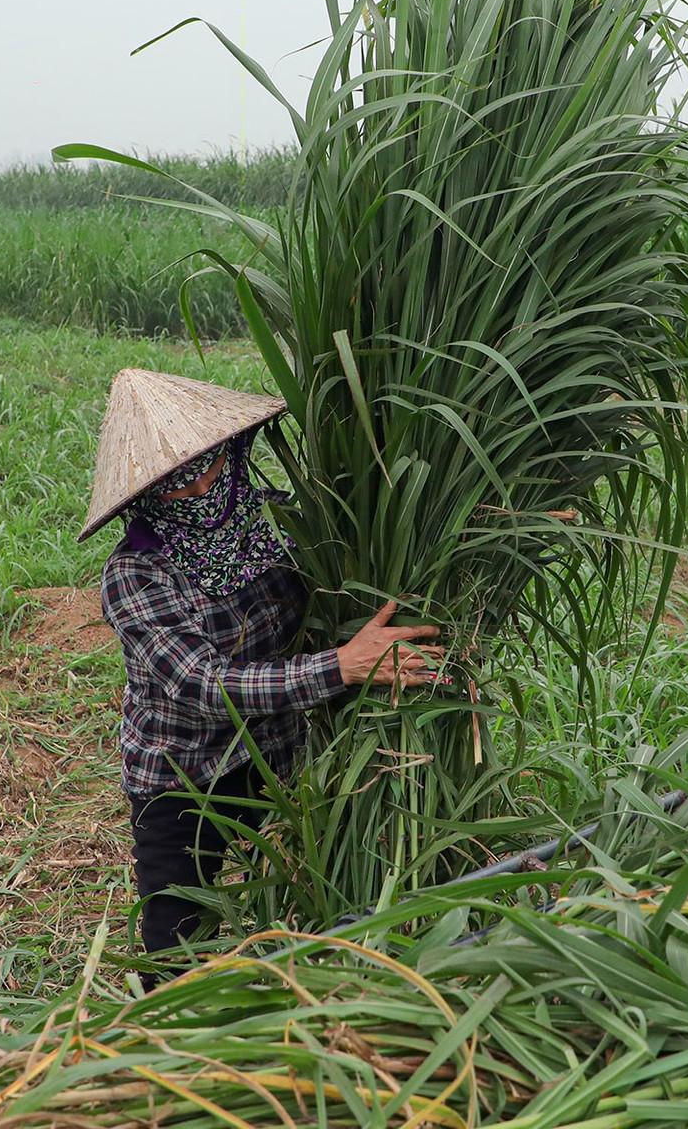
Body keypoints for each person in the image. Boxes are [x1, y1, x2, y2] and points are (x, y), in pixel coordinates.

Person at [77, 368, 443, 957]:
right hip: (183, 772)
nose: (199, 495)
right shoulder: (136, 573)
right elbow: (200, 682)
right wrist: (342, 667)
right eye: (175, 486)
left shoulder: (276, 526)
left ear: (233, 452)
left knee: (308, 892)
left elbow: (335, 596)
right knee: (176, 944)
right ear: (144, 493)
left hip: (281, 749)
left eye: (210, 472)